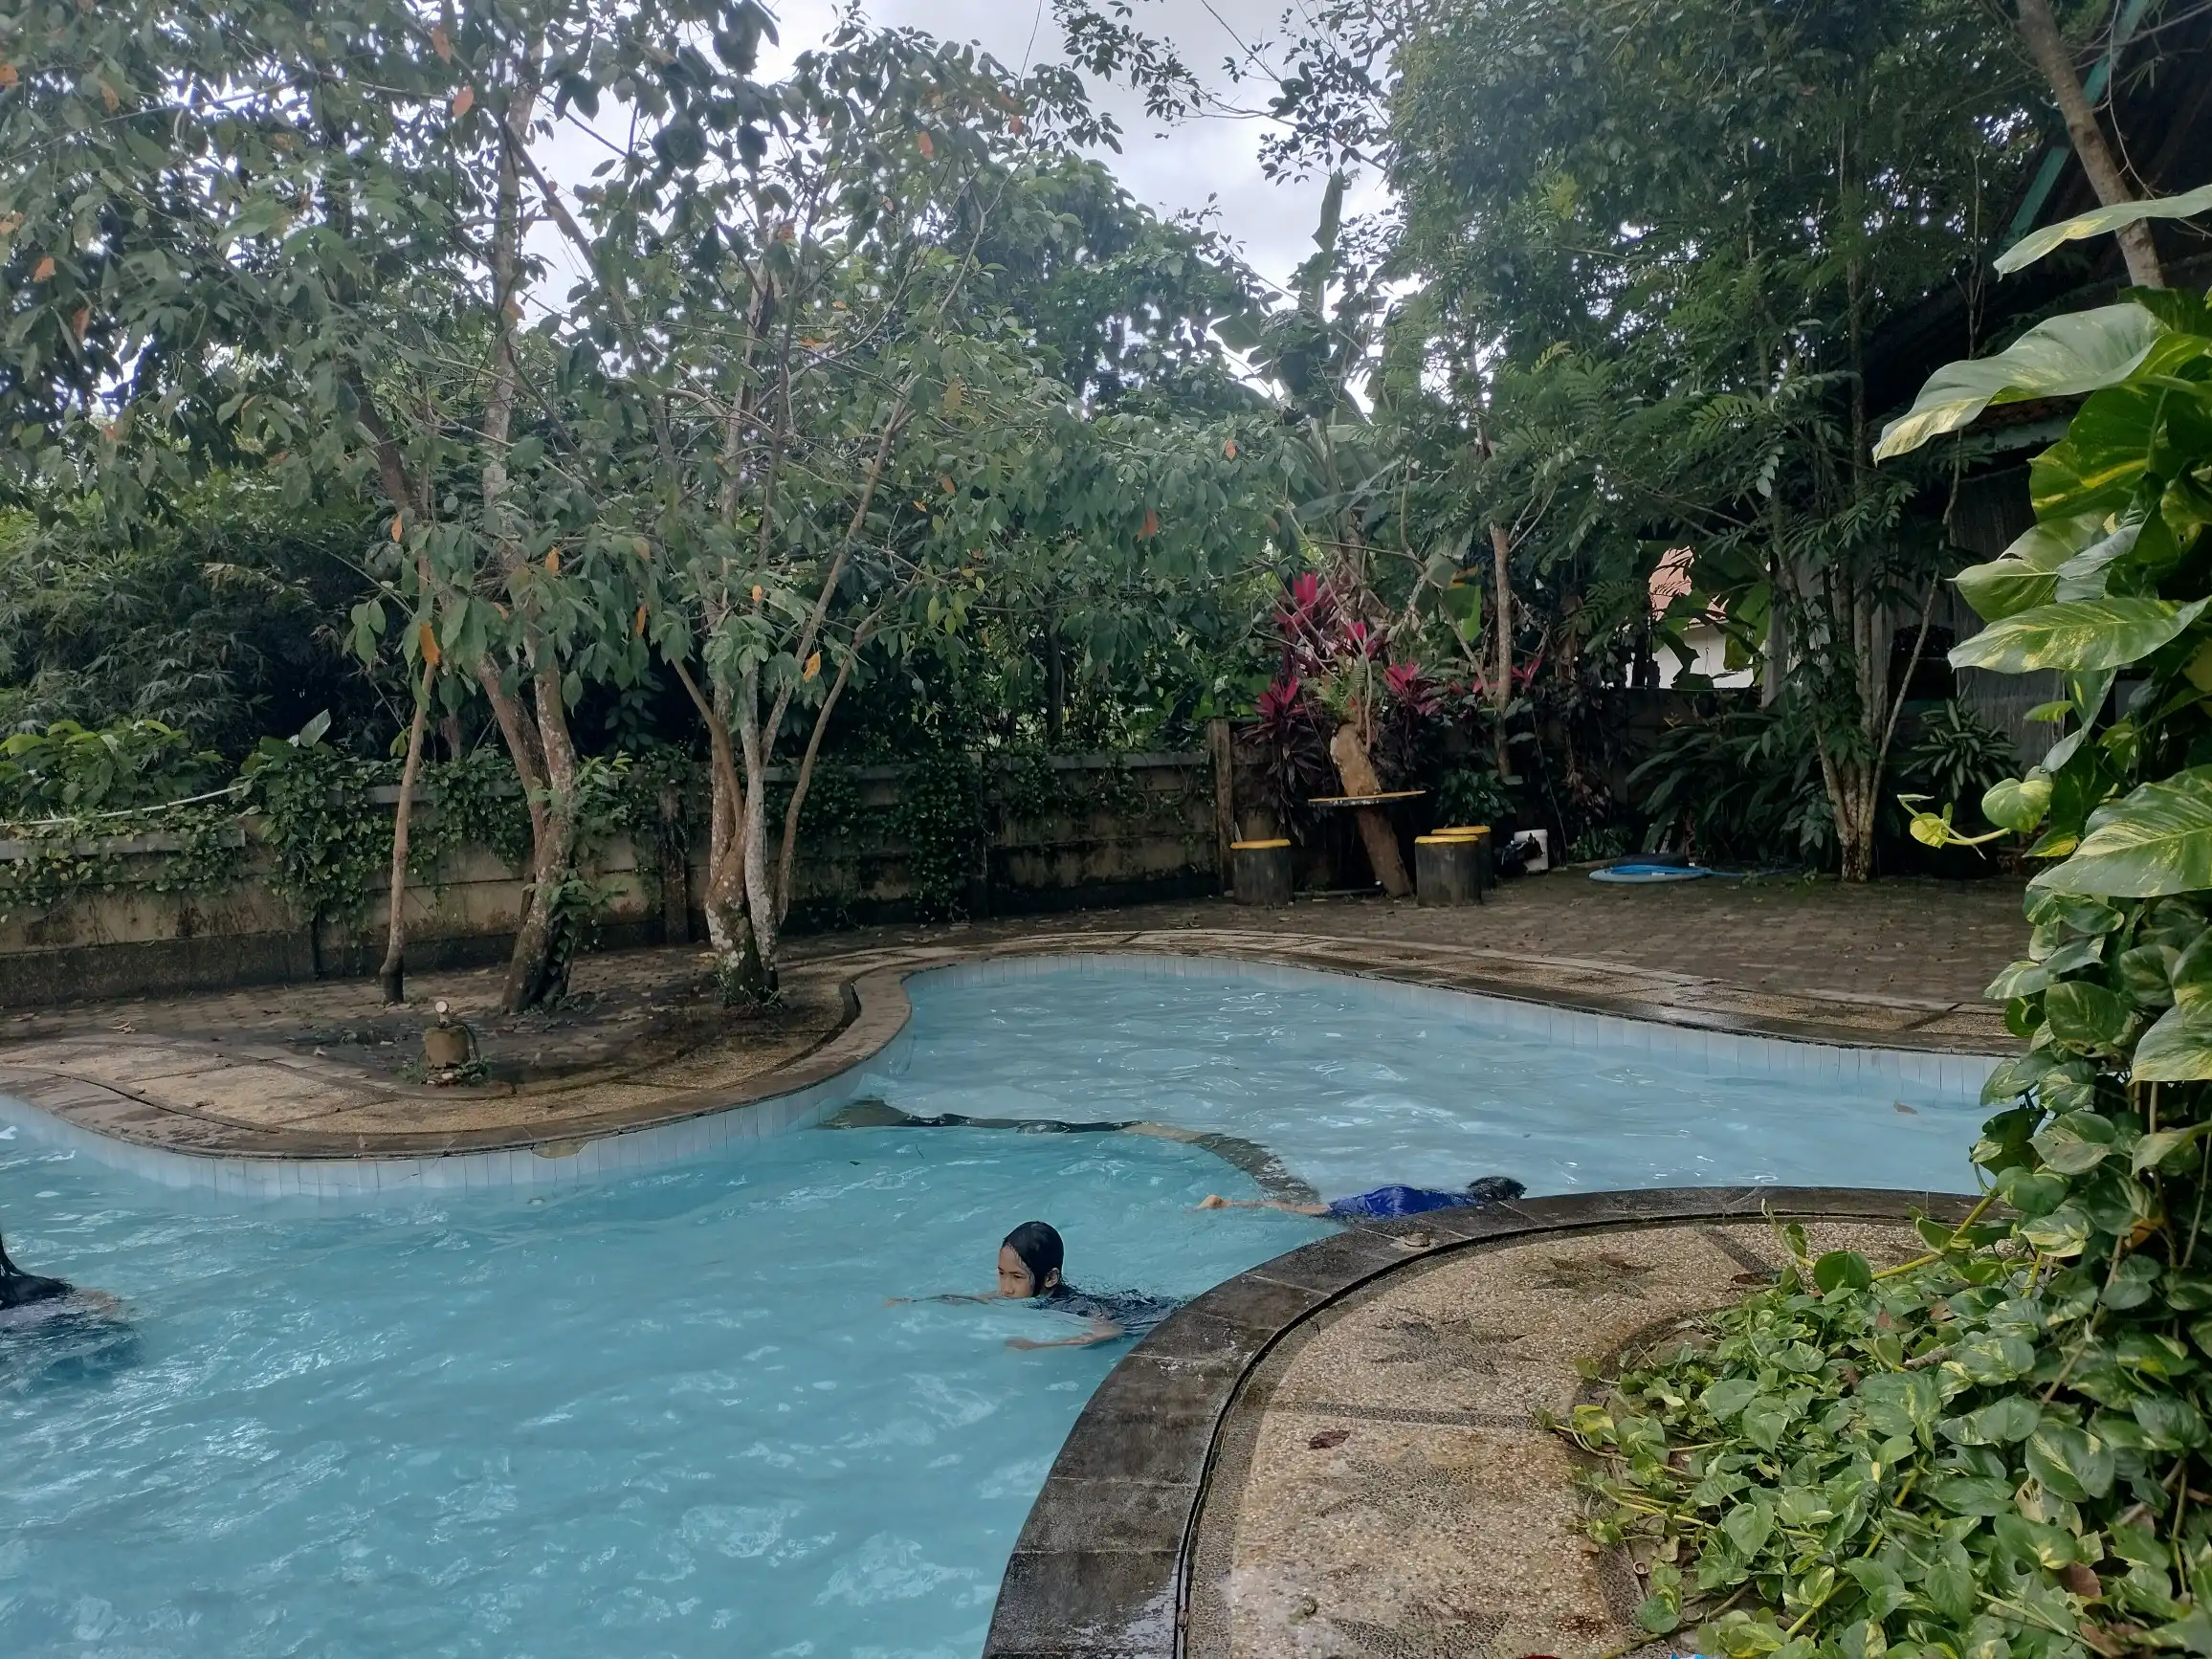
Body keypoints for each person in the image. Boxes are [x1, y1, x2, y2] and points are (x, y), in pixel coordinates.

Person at [894, 1222, 1180, 1350]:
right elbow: (978, 1298)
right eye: (1001, 1273)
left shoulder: (1073, 1307)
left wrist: (1042, 1345)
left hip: (1160, 1320)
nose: (1005, 1287)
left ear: (1050, 1278)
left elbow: (1111, 1330)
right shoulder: (1028, 1295)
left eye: (1017, 1277)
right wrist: (918, 1302)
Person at [1199, 1174, 1526, 1221]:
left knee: (1314, 1210)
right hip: (1404, 1211)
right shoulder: (1481, 1210)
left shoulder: (1460, 1196)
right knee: (1323, 1215)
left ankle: (1230, 1204)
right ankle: (1227, 1205)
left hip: (1401, 1193)